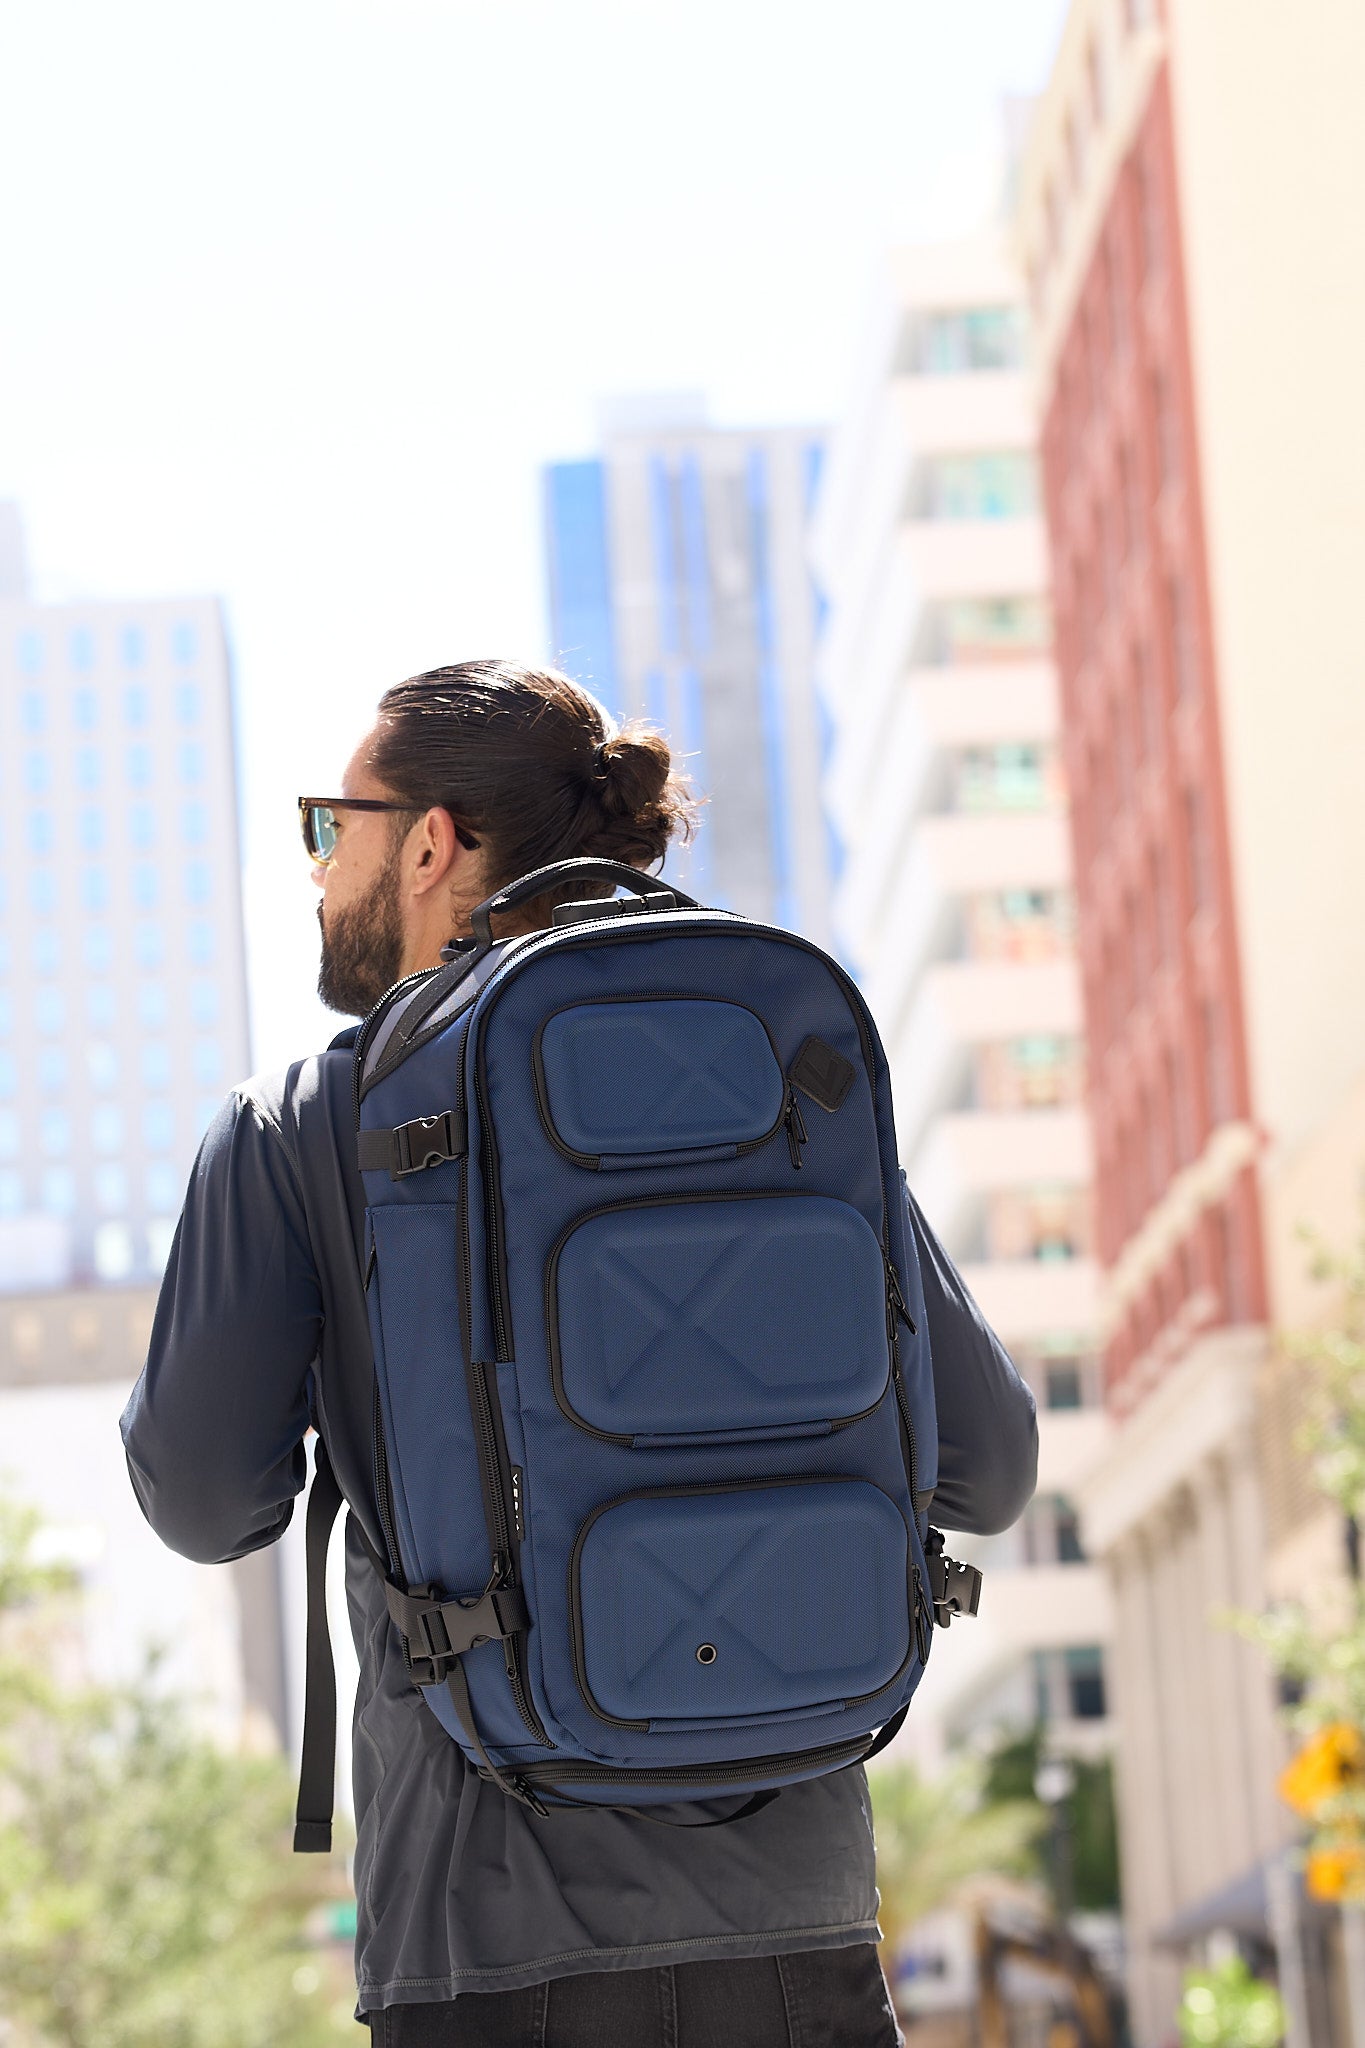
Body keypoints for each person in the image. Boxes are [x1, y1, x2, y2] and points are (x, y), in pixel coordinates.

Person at [121, 659, 1037, 2046]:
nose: (317, 870)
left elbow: (203, 1503)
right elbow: (991, 1467)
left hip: (483, 1947)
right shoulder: (776, 1079)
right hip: (797, 1926)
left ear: (430, 842)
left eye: (333, 826)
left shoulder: (300, 1124)